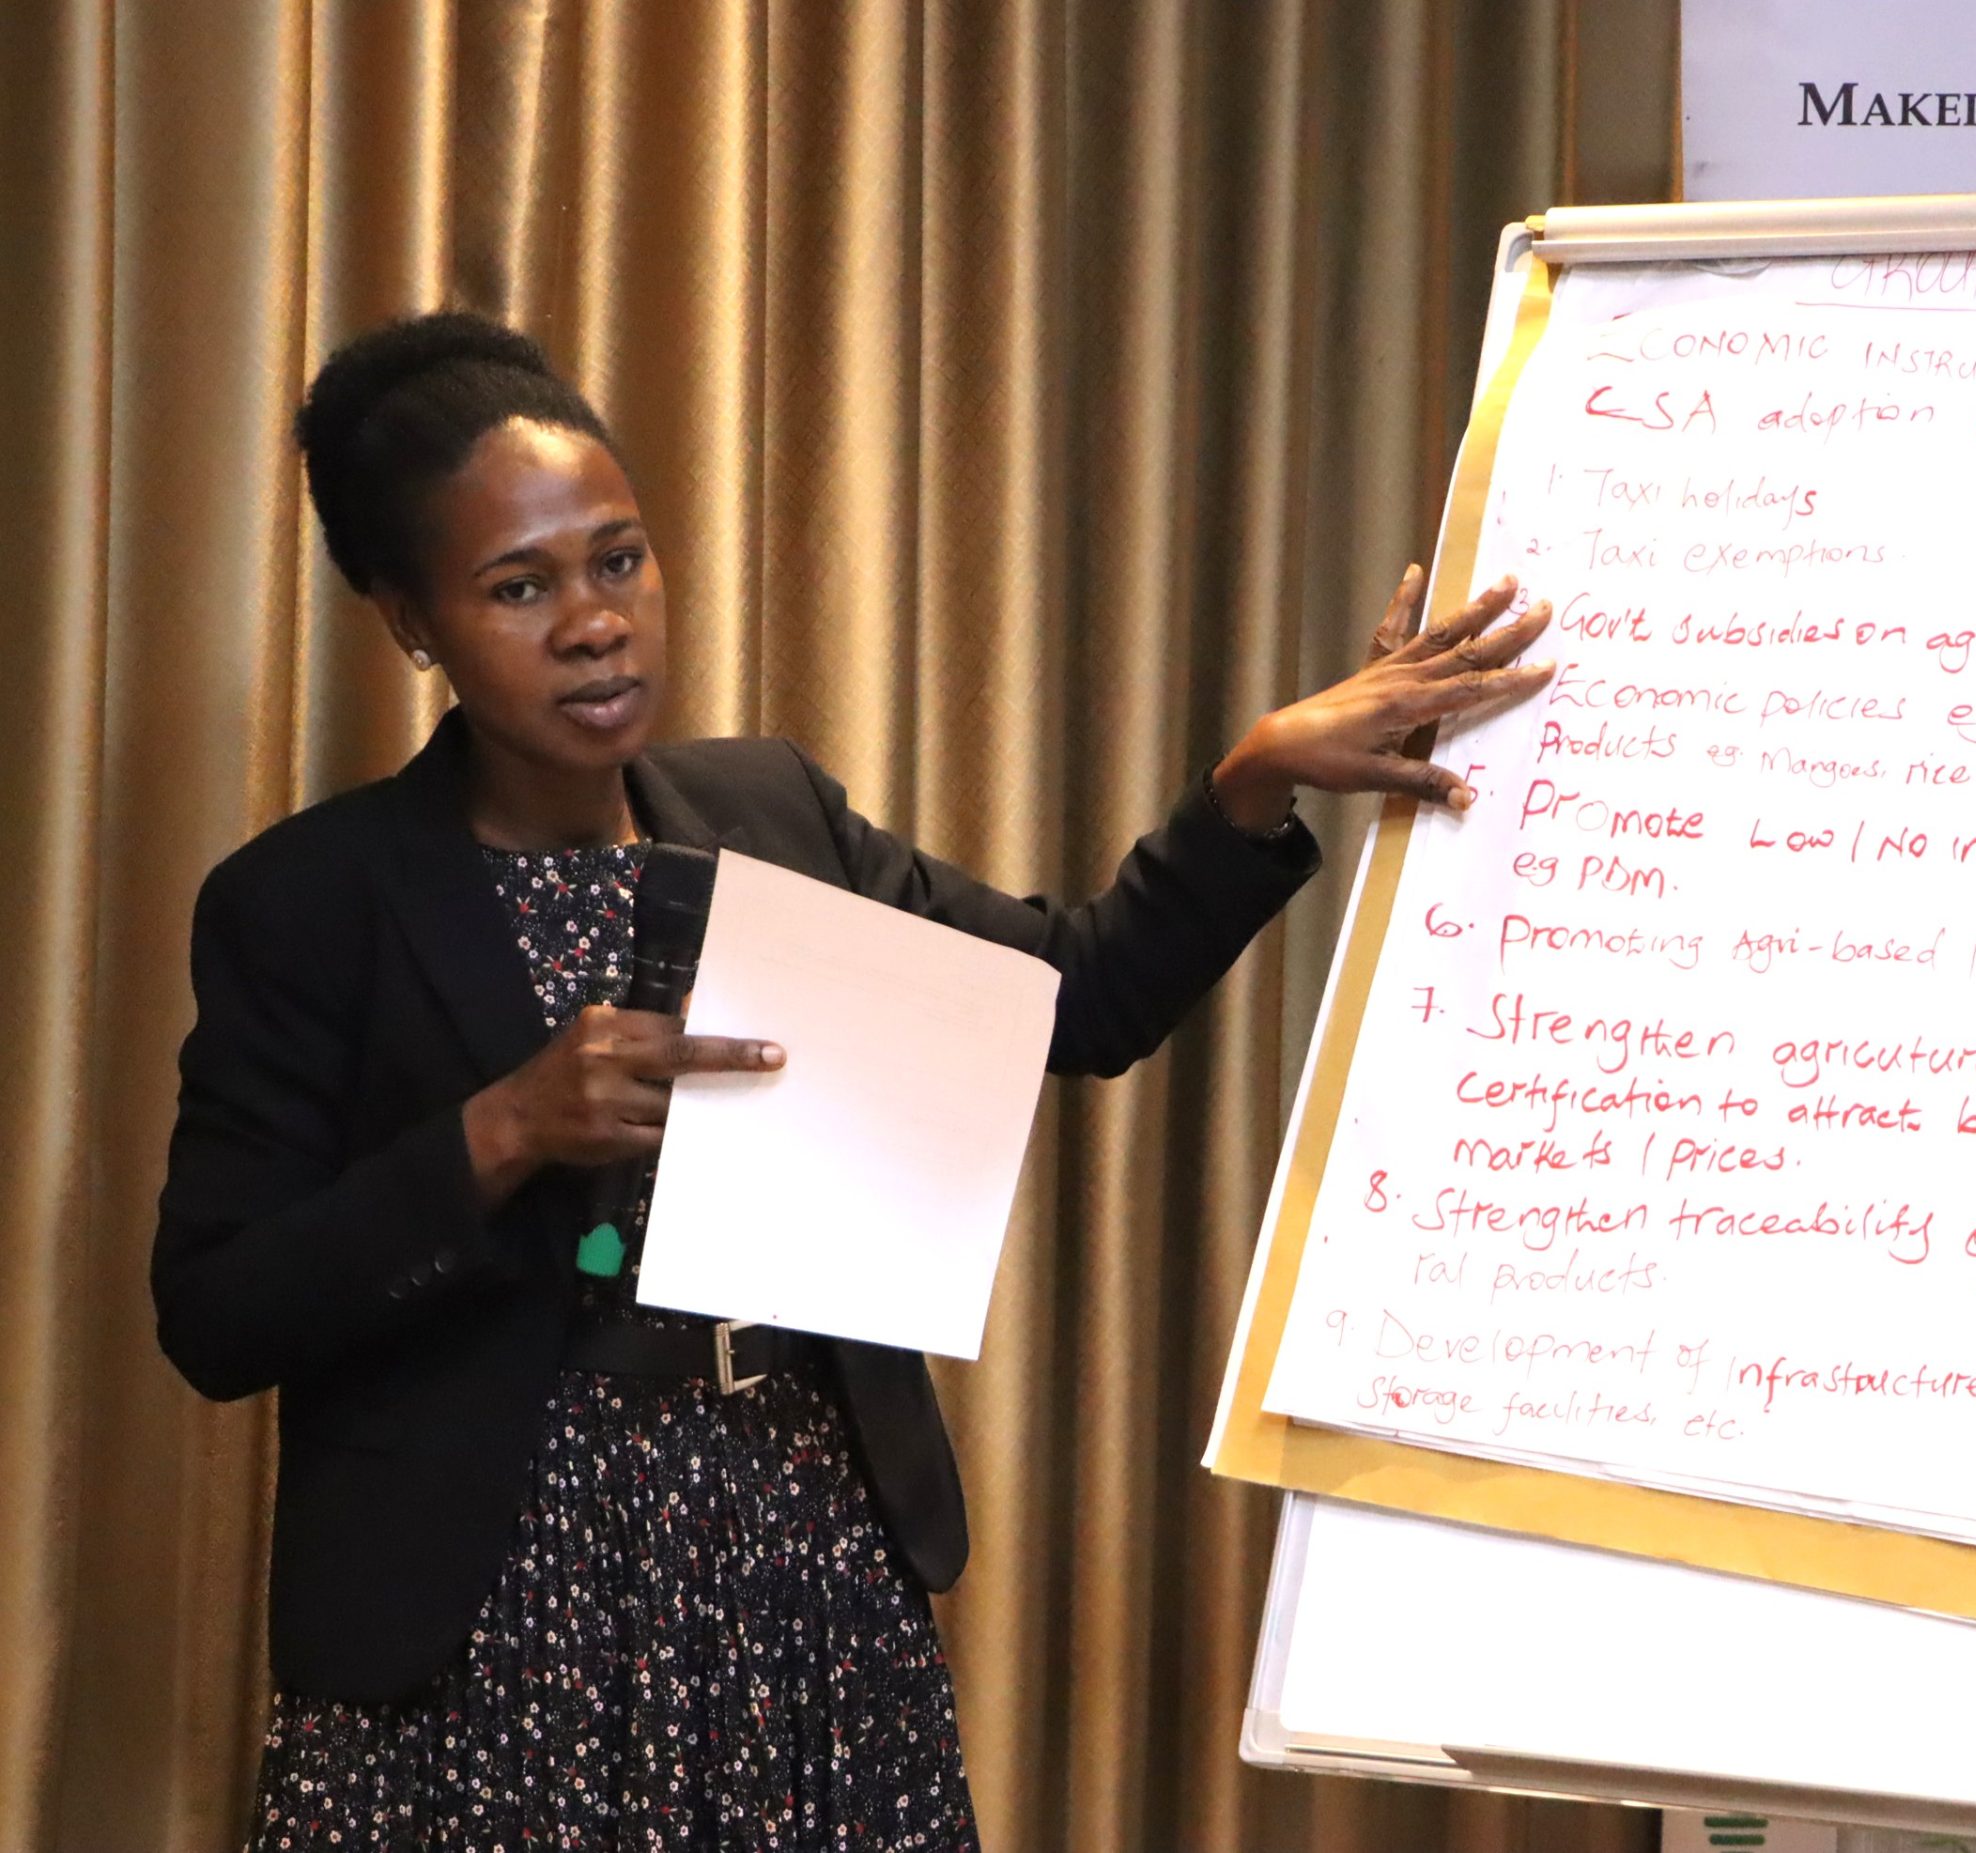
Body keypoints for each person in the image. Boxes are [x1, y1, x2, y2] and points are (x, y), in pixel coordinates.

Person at [150, 310, 1551, 1850]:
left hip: (801, 1579)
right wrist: (500, 1131)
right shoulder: (307, 901)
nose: (595, 621)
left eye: (619, 559)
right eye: (519, 587)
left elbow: (1074, 1000)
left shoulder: (767, 811)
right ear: (412, 623)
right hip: (493, 1619)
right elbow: (217, 1310)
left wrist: (1256, 779)